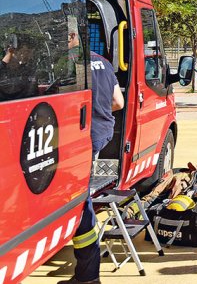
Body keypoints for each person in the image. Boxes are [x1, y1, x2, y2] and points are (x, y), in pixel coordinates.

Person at [59, 51, 124, 284]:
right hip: (100, 134)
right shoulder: (103, 62)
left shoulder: (67, 62)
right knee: (80, 198)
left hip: (80, 138)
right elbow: (118, 102)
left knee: (80, 202)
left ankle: (88, 275)